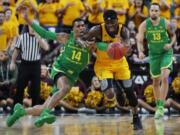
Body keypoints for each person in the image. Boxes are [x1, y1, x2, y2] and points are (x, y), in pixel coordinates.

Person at [6, 10, 93, 128]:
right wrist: (27, 20)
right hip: (60, 70)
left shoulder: (90, 43)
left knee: (44, 107)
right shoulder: (66, 37)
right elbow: (45, 33)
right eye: (78, 26)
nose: (82, 27)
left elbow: (105, 47)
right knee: (65, 87)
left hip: (72, 76)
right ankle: (47, 113)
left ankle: (20, 112)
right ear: (73, 30)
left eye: (83, 25)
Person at [83, 9, 142, 130]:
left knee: (130, 92)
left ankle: (136, 117)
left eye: (113, 22)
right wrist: (90, 46)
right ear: (104, 22)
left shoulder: (123, 30)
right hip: (103, 64)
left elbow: (128, 50)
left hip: (120, 64)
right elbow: (83, 40)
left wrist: (124, 48)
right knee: (109, 95)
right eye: (107, 22)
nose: (110, 25)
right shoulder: (97, 30)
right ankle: (116, 87)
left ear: (117, 20)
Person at [137, 3, 176, 119]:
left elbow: (173, 36)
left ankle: (160, 106)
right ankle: (159, 105)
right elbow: (139, 40)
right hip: (154, 55)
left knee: (164, 78)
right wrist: (140, 51)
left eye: (156, 10)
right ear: (149, 12)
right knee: (155, 81)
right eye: (152, 10)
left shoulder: (166, 23)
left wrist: (170, 44)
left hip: (166, 53)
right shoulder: (144, 25)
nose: (154, 12)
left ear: (159, 12)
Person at [10, 25, 49, 106]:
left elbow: (46, 48)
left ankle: (35, 108)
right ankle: (16, 108)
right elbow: (16, 50)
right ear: (28, 27)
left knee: (36, 89)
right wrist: (12, 62)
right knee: (20, 87)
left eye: (34, 27)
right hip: (25, 65)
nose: (33, 28)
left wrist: (38, 37)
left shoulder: (40, 37)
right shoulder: (22, 37)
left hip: (35, 65)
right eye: (31, 27)